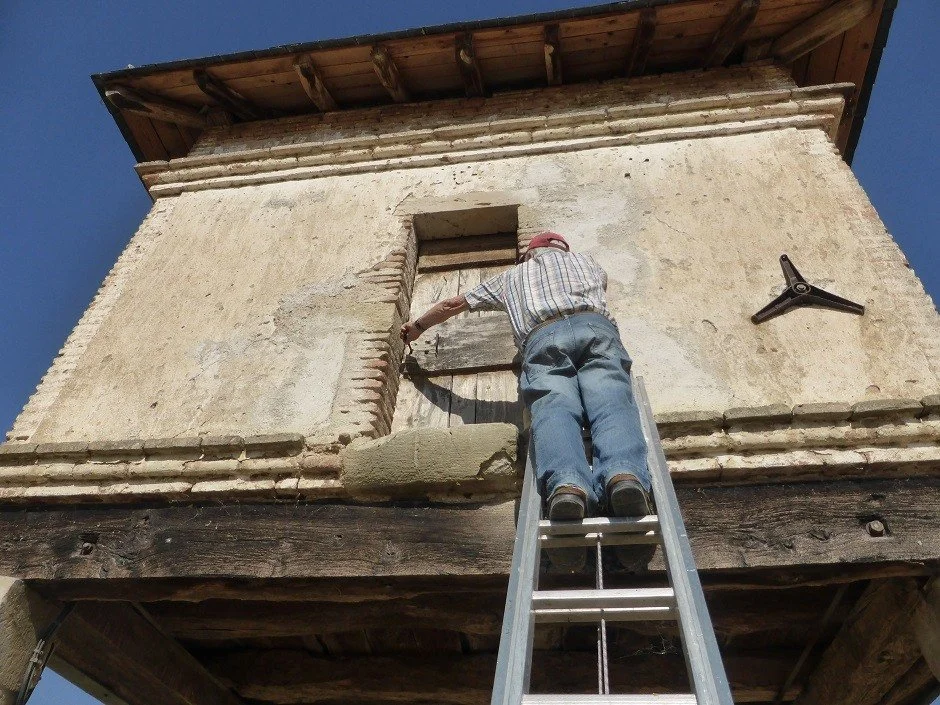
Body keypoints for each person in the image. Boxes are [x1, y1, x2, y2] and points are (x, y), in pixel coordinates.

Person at [400, 231, 651, 571]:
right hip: (597, 329)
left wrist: (417, 326)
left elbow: (452, 304)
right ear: (564, 249)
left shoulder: (512, 276)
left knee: (553, 408)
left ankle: (567, 487)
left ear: (528, 255)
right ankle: (624, 477)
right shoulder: (590, 264)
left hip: (543, 337)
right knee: (611, 402)